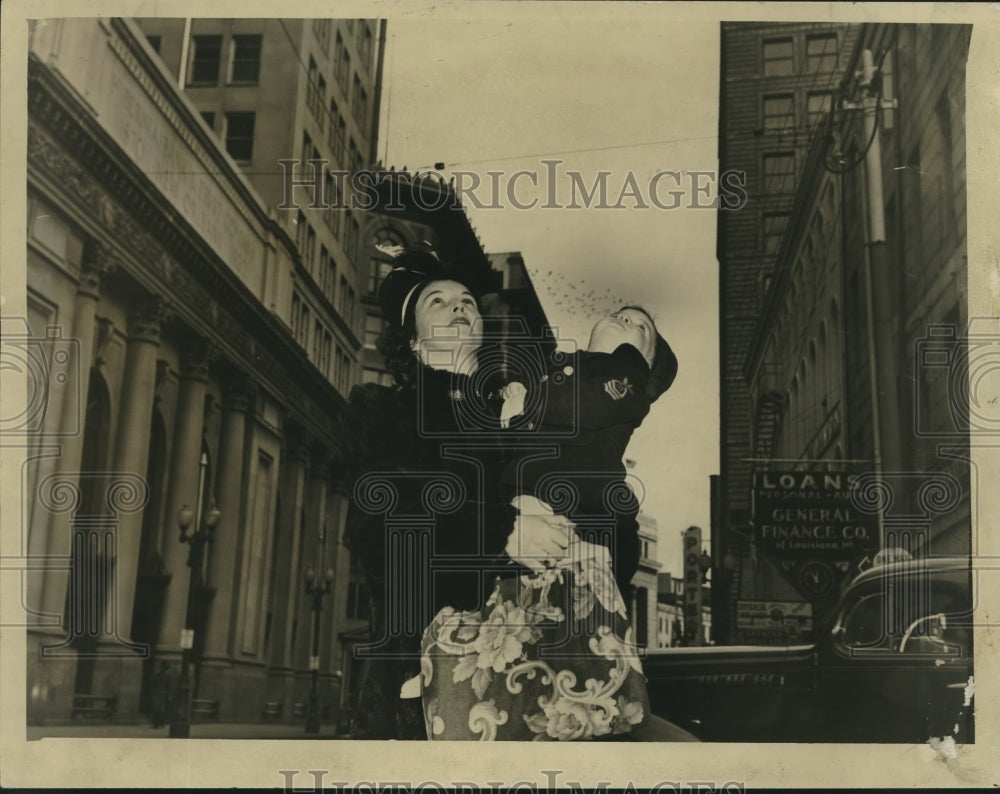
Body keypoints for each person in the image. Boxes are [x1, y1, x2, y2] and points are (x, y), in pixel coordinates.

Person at [419, 307, 695, 741]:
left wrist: (529, 399)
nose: (625, 319)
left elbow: (587, 403)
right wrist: (517, 391)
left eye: (641, 326)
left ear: (648, 366)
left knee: (569, 643)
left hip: (572, 518)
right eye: (620, 313)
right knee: (502, 626)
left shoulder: (625, 377)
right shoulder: (561, 367)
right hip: (521, 512)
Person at [341, 247, 571, 739]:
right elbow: (380, 531)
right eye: (438, 301)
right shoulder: (385, 411)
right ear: (413, 337)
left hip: (529, 688)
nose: (459, 305)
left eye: (467, 300)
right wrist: (503, 533)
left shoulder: (516, 423)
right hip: (420, 694)